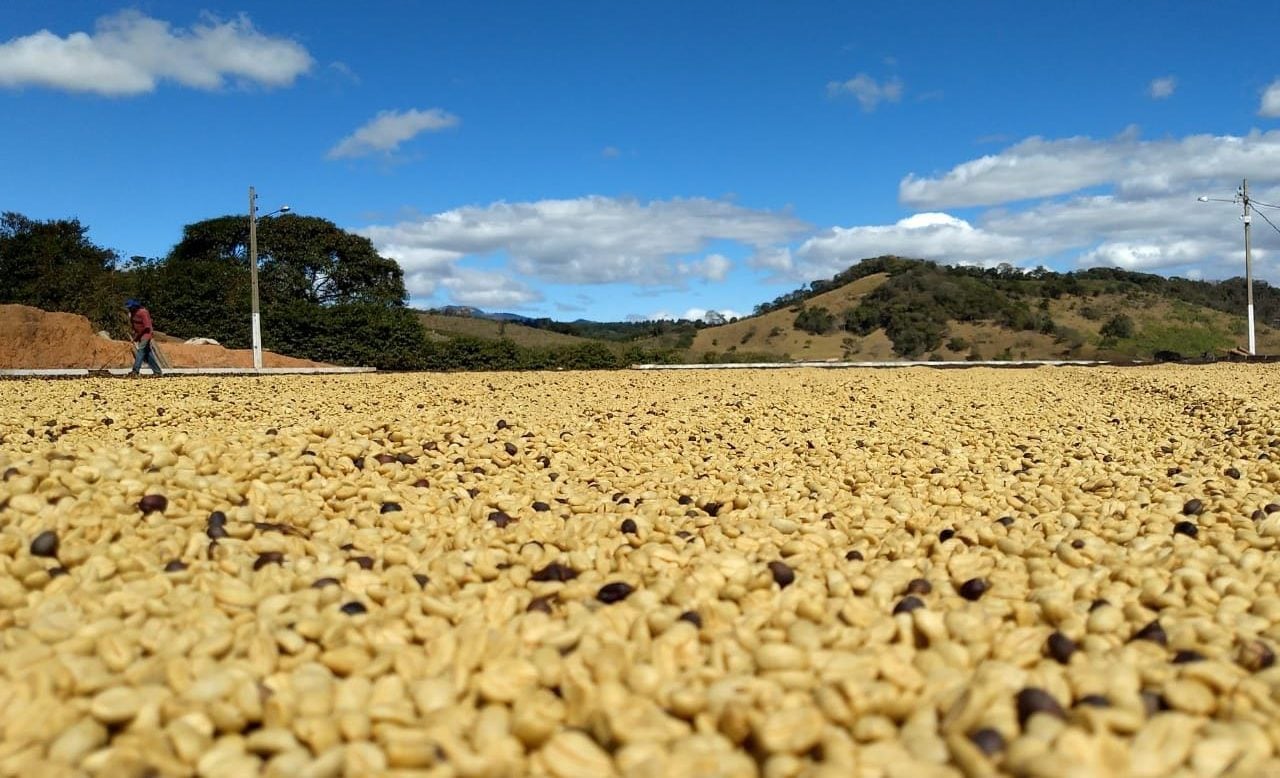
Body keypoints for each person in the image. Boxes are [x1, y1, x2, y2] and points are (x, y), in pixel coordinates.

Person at [126, 299, 163, 377]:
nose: (129, 309)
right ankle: (157, 372)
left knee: (141, 350)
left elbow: (147, 327)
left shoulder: (143, 312)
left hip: (146, 334)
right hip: (140, 335)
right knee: (147, 354)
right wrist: (135, 336)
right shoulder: (132, 313)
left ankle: (135, 371)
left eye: (131, 307)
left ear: (135, 306)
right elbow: (134, 326)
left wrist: (138, 335)